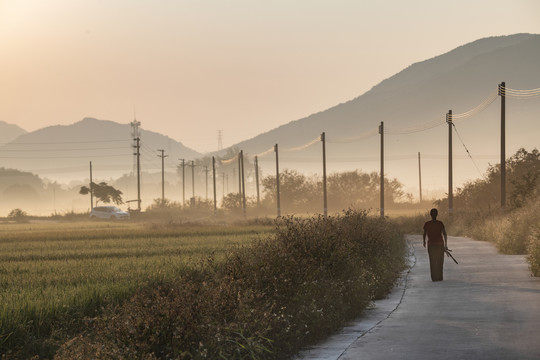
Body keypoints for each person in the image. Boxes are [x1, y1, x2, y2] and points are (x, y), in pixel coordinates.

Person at [423, 208, 448, 281]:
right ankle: (440, 277)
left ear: (430, 215)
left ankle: (434, 278)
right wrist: (445, 244)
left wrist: (424, 242)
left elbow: (424, 233)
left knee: (432, 261)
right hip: (440, 245)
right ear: (437, 214)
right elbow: (445, 234)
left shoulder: (427, 224)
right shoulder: (440, 223)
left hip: (431, 245)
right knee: (440, 261)